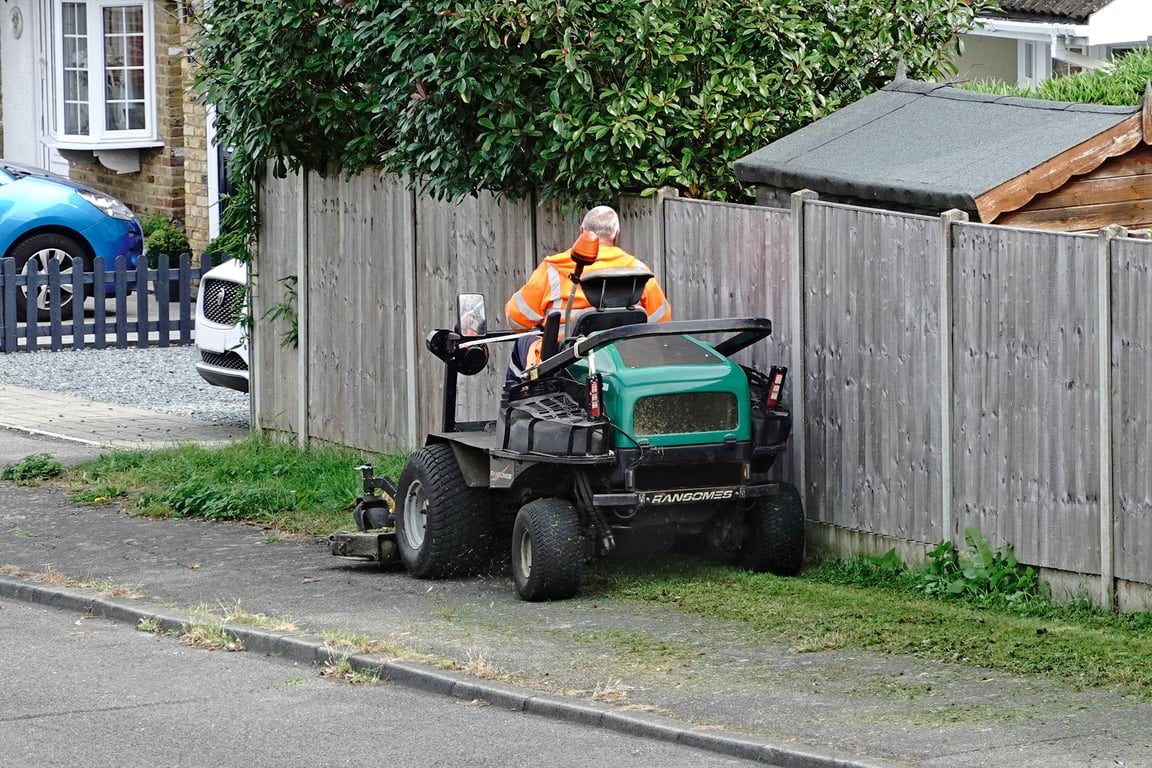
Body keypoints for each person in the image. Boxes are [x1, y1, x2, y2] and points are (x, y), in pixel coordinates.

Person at [504, 205, 671, 378]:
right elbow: (661, 322)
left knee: (522, 343)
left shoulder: (553, 269)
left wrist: (511, 308)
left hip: (564, 363)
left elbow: (517, 321)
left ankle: (512, 404)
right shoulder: (639, 271)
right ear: (616, 235)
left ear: (582, 231)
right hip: (626, 362)